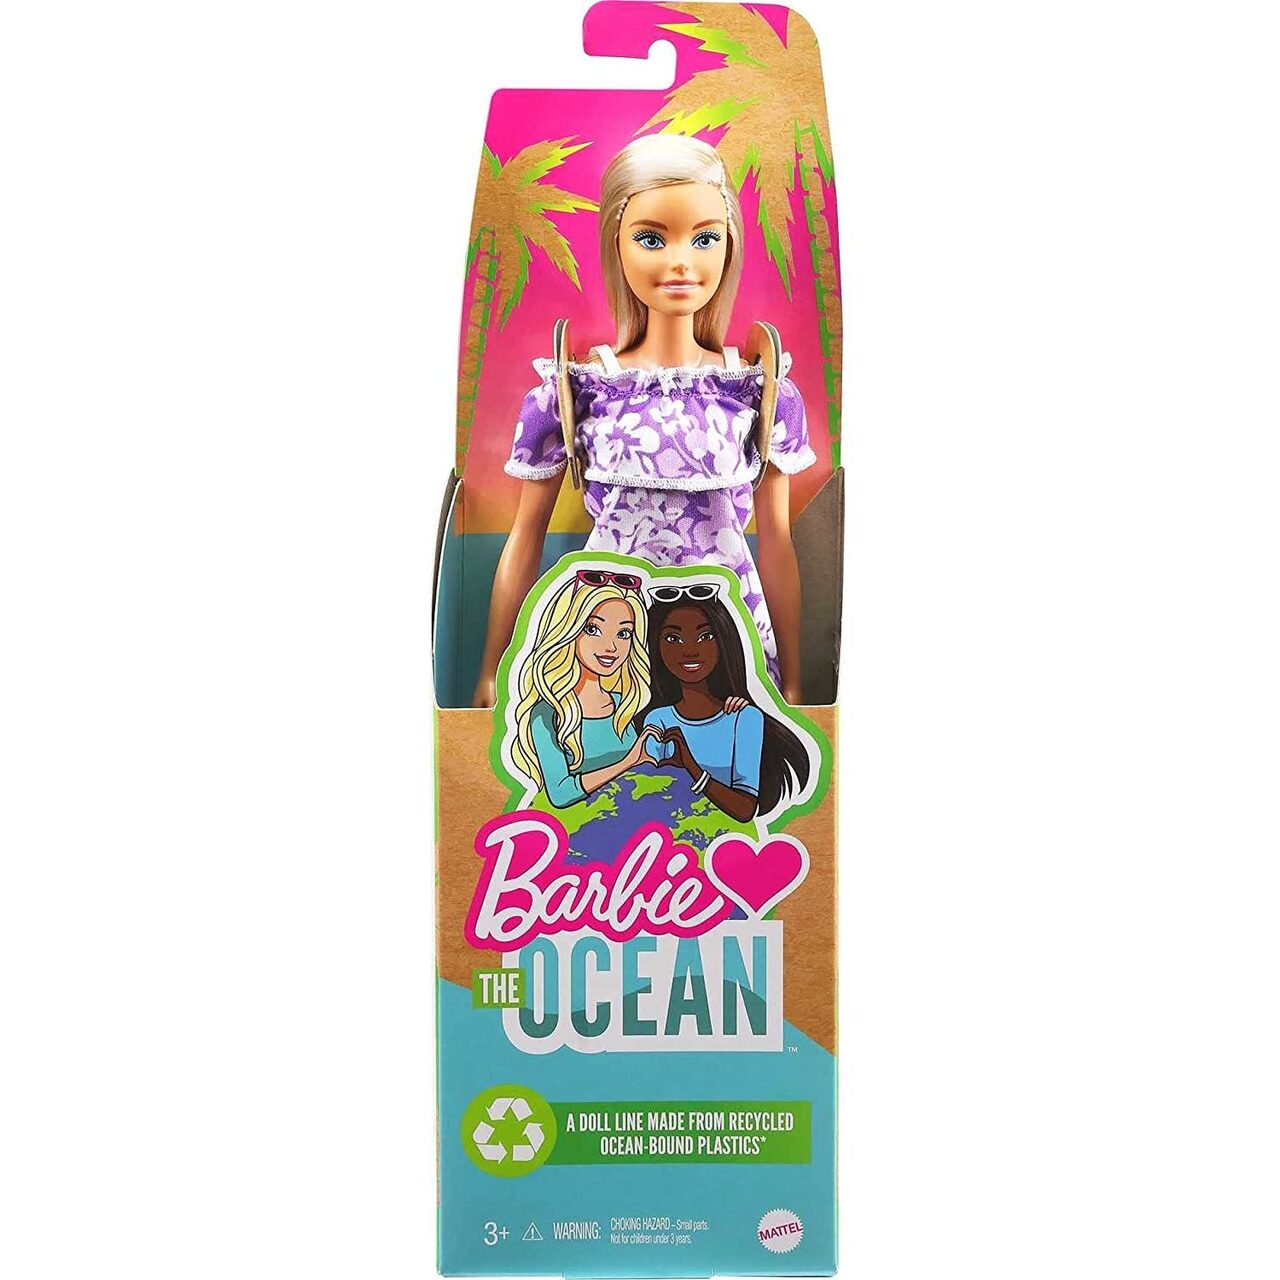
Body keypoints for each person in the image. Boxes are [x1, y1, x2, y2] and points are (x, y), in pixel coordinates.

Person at [473, 133, 815, 709]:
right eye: (652, 238)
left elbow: (777, 543)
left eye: (705, 237)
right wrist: (493, 666)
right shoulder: (578, 391)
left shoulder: (758, 392)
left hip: (728, 638)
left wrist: (797, 679)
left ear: (729, 243)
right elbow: (525, 537)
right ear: (618, 244)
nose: (681, 261)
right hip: (610, 643)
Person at [641, 583, 812, 824]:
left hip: (732, 842)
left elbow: (745, 809)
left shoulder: (745, 719)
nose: (690, 650)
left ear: (724, 639)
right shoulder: (658, 720)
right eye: (673, 638)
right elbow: (646, 798)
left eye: (705, 636)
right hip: (663, 838)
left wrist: (692, 767)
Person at [509, 571, 660, 808]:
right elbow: (560, 793)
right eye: (592, 629)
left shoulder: (623, 705)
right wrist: (628, 762)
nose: (611, 647)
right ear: (568, 628)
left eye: (623, 634)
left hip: (625, 817)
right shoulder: (548, 713)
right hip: (571, 825)